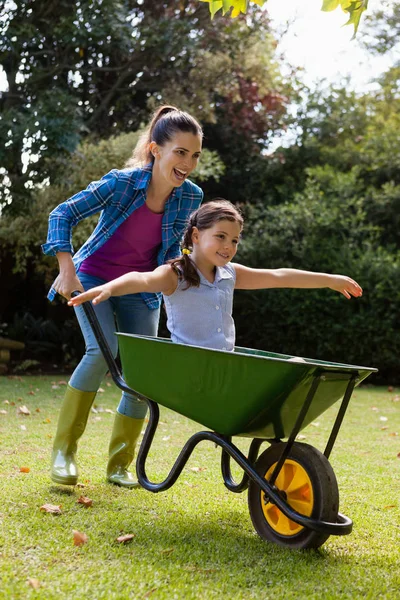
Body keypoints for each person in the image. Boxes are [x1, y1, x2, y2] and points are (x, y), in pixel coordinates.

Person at [42, 106, 204, 488]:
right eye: (180, 152)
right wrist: (66, 269)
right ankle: (63, 453)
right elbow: (61, 214)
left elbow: (176, 250)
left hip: (137, 285)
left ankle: (119, 465)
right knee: (101, 350)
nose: (188, 163)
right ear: (155, 150)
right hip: (91, 276)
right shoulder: (121, 183)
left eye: (195, 155)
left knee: (141, 370)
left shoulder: (190, 197)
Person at [69, 198, 362, 355]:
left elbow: (277, 275)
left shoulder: (229, 274)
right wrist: (108, 288)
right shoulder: (177, 274)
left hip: (224, 365)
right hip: (193, 367)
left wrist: (329, 279)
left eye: (235, 240)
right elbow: (141, 280)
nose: (229, 246)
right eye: (220, 236)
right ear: (196, 236)